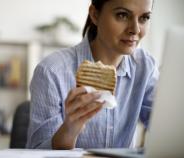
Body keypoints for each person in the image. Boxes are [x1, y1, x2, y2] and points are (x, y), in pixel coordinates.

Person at [26, 0, 159, 149]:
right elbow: (37, 152)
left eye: (144, 18)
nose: (135, 30)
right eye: (122, 15)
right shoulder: (51, 71)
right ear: (95, 15)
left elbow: (166, 129)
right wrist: (70, 129)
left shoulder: (146, 67)